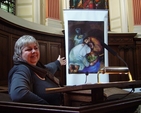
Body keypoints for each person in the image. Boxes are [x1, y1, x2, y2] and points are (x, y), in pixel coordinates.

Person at [8, 35, 66, 105]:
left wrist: (57, 63)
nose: (34, 51)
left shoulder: (38, 67)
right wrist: (47, 107)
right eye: (29, 49)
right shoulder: (21, 69)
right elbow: (18, 94)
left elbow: (49, 68)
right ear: (19, 54)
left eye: (36, 48)